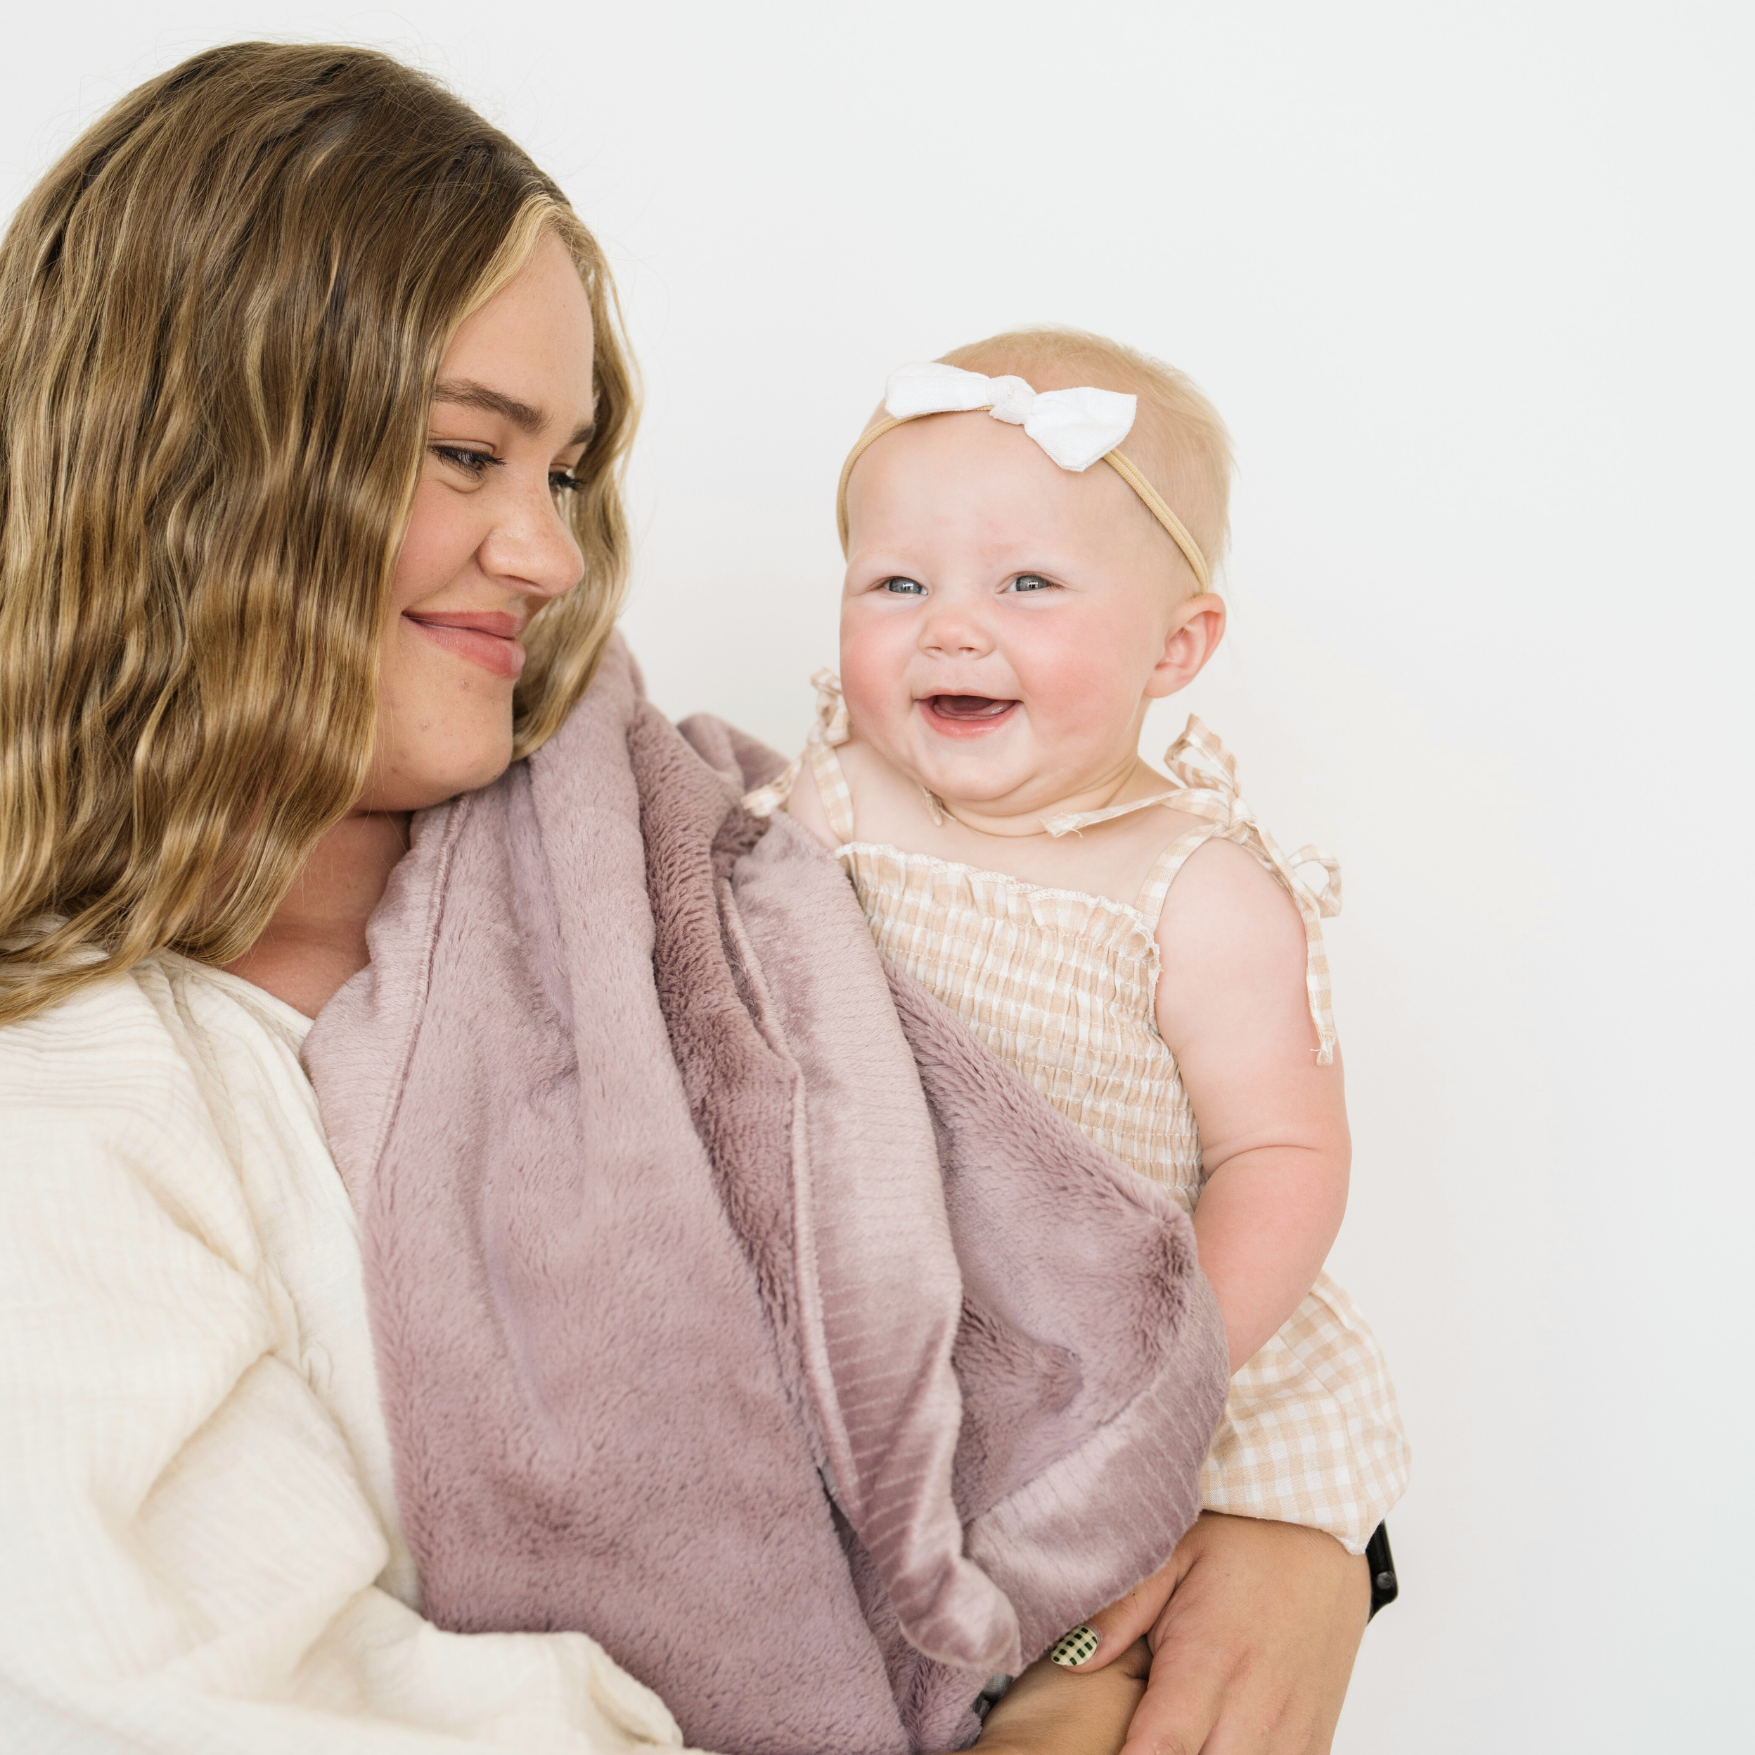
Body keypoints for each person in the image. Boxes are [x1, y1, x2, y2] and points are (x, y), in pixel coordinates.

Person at [0, 42, 1381, 1755]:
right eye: (461, 454)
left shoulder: (678, 846)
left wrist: (1304, 1524)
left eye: (563, 471)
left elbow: (1045, 1210)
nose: (552, 555)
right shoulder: (68, 1108)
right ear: (189, 466)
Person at [752, 335, 1409, 1736]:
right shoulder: (833, 804)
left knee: (1083, 1697)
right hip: (925, 1355)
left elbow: (1281, 1153)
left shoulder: (1197, 887)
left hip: (1156, 1383)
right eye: (897, 582)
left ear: (1175, 645)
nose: (949, 625)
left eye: (1027, 583)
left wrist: (1166, 1383)